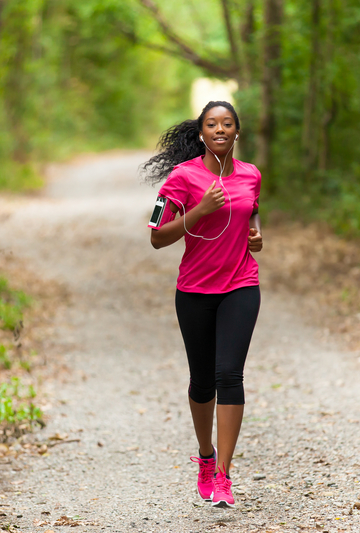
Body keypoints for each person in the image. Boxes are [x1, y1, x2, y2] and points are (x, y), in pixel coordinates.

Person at [141, 101, 262, 508]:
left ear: (237, 132)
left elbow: (250, 211)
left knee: (230, 375)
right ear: (201, 134)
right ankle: (206, 457)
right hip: (194, 290)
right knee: (202, 381)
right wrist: (199, 211)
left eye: (228, 124)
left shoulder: (251, 175)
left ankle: (225, 476)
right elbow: (157, 237)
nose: (220, 130)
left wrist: (255, 233)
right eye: (212, 124)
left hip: (241, 285)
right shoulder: (182, 177)